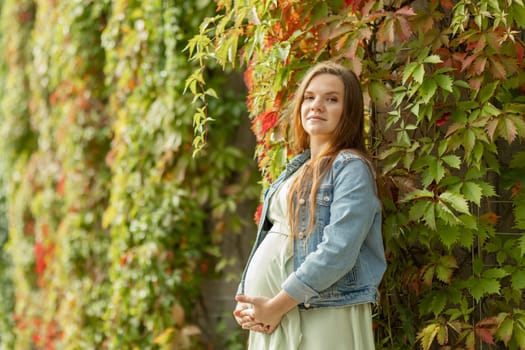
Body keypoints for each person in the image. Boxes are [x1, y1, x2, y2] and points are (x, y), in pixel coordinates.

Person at [233, 61, 387, 349]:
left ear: (348, 112)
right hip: (278, 313)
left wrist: (277, 304)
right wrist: (250, 303)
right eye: (310, 97)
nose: (317, 105)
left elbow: (338, 250)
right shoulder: (297, 167)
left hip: (320, 311)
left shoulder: (351, 168)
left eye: (332, 99)